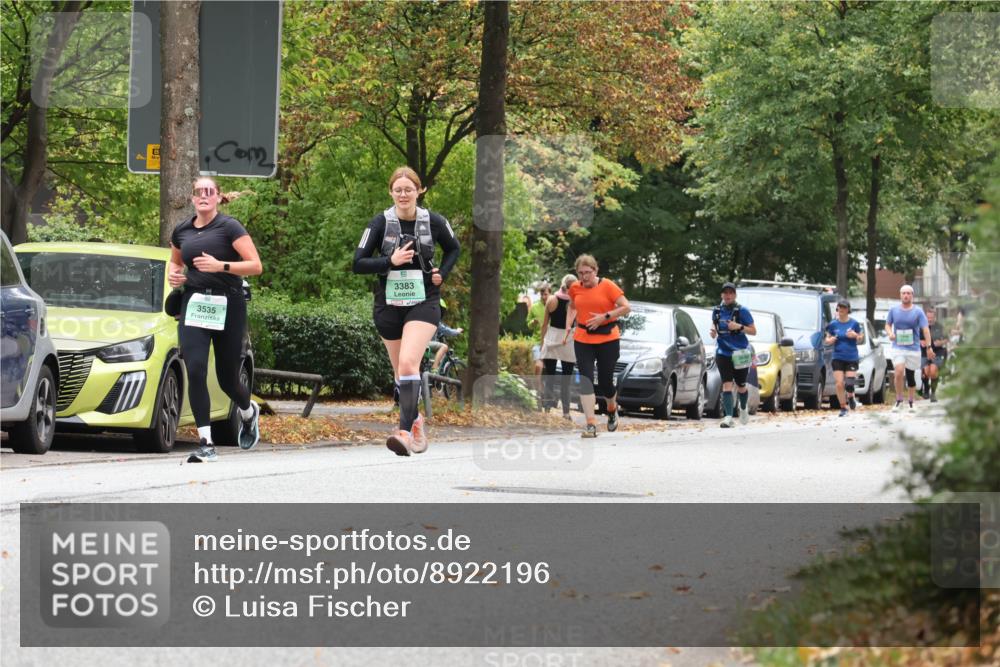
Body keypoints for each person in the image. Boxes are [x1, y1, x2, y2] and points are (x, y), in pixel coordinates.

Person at [353, 166, 460, 456]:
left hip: (423, 301)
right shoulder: (379, 223)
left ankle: (403, 434)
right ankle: (416, 421)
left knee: (409, 365)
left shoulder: (434, 221)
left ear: (419, 191)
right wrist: (390, 261)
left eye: (408, 189)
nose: (403, 194)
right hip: (388, 303)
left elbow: (454, 248)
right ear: (391, 192)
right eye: (398, 190)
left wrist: (442, 273)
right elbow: (358, 263)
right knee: (401, 375)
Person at [168, 177, 263, 463]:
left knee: (227, 379)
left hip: (228, 304)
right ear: (192, 198)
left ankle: (247, 411)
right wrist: (175, 275)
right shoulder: (182, 230)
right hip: (195, 303)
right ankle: (206, 443)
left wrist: (221, 266)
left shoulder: (230, 227)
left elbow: (256, 266)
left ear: (219, 197)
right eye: (199, 191)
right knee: (195, 368)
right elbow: (175, 262)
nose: (204, 196)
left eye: (210, 191)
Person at [568, 255, 630, 438]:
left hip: (607, 338)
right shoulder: (575, 287)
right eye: (580, 273)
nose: (584, 276)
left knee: (605, 382)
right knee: (586, 380)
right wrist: (568, 325)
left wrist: (605, 317)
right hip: (583, 338)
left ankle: (611, 408)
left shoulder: (608, 285)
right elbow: (572, 306)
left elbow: (626, 307)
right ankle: (590, 424)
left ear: (595, 271)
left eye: (588, 272)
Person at [709, 282, 757, 428]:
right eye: (725, 293)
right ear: (721, 295)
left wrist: (738, 327)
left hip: (740, 353)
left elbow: (753, 331)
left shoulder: (742, 311)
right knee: (727, 384)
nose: (728, 295)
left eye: (731, 293)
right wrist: (713, 330)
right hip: (722, 352)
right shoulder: (717, 310)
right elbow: (714, 323)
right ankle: (728, 417)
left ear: (735, 295)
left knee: (741, 385)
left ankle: (743, 408)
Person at [885, 284, 933, 412]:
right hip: (898, 347)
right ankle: (899, 400)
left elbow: (925, 329)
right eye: (903, 293)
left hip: (913, 348)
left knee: (911, 377)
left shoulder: (918, 311)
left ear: (912, 296)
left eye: (908, 293)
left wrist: (929, 347)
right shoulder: (894, 310)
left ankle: (911, 401)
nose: (906, 295)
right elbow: (887, 325)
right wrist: (890, 333)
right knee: (899, 371)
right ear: (900, 295)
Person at [539, 274, 578, 420]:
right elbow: (579, 324)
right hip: (568, 340)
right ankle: (566, 413)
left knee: (549, 375)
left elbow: (544, 325)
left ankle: (547, 409)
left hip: (552, 339)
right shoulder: (576, 302)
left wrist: (542, 344)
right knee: (566, 379)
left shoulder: (551, 300)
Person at [824, 299, 864, 417]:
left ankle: (850, 396)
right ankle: (843, 407)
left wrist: (855, 335)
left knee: (849, 384)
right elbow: (827, 338)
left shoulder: (854, 323)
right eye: (839, 307)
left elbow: (861, 337)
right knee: (839, 383)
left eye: (843, 308)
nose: (841, 310)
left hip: (851, 357)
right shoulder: (833, 324)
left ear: (848, 310)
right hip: (837, 356)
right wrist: (830, 340)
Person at [920, 308, 947, 402]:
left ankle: (933, 393)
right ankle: (926, 389)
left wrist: (941, 342)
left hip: (937, 352)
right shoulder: (922, 326)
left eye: (931, 317)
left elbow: (947, 339)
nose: (930, 319)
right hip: (925, 352)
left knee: (933, 371)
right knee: (926, 372)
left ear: (935, 317)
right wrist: (921, 342)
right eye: (928, 317)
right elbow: (916, 338)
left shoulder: (940, 327)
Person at [528, 282, 552, 380]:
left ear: (550, 293)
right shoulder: (534, 307)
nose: (543, 297)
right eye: (541, 294)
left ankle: (542, 386)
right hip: (537, 341)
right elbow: (528, 325)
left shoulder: (554, 305)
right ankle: (537, 387)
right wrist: (533, 322)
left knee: (550, 370)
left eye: (545, 294)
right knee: (538, 365)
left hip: (551, 342)